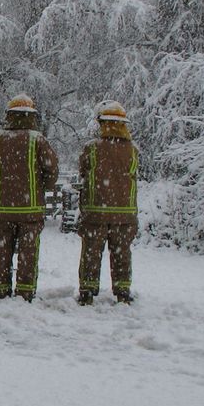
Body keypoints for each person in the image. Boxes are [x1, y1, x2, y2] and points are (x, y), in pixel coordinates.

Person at [0, 94, 58, 301]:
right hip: (31, 210)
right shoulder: (37, 140)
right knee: (28, 253)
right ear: (31, 115)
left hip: (4, 209)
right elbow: (51, 170)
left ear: (9, 116)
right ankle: (25, 292)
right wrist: (41, 188)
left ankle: (2, 290)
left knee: (2, 252)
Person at [77, 100, 140, 305]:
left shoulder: (92, 148)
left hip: (96, 212)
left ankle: (87, 291)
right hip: (124, 213)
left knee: (91, 253)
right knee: (121, 254)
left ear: (102, 123)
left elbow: (84, 171)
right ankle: (122, 291)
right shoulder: (132, 150)